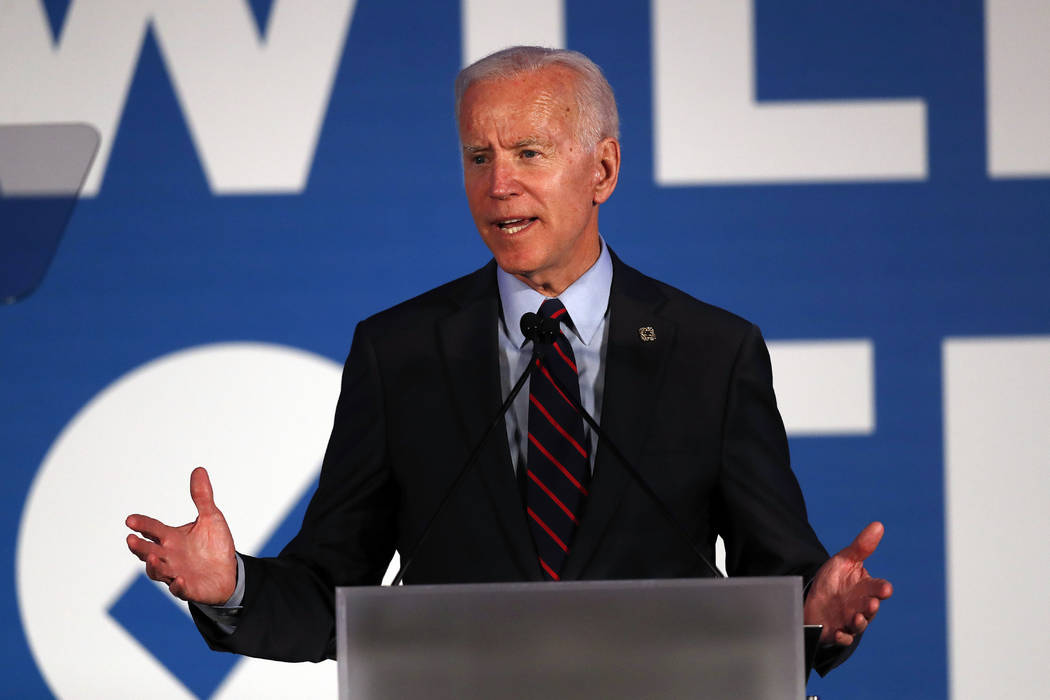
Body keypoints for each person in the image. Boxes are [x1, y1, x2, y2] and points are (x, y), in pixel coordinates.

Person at [126, 46, 891, 671]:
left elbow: (775, 588)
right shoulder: (400, 353)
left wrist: (814, 614)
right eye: (478, 156)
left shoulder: (713, 352)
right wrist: (230, 586)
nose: (499, 185)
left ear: (603, 170)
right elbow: (333, 599)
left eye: (529, 152)